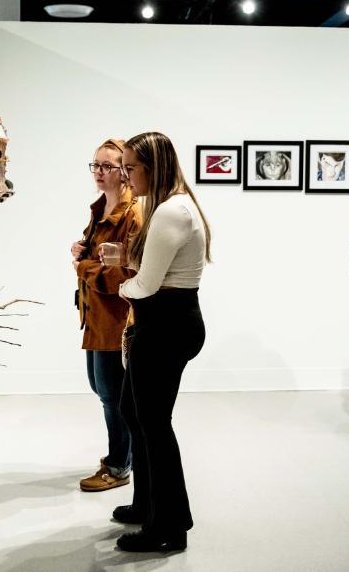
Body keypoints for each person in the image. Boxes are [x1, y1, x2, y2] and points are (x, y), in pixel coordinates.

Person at [110, 132, 211, 553]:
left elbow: (148, 285)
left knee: (154, 425)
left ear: (152, 167)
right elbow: (152, 269)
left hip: (167, 325)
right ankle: (148, 505)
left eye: (130, 167)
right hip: (167, 323)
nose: (124, 175)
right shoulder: (171, 204)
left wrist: (123, 288)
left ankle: (168, 526)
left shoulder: (171, 210)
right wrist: (127, 264)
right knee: (135, 413)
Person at [71, 138, 143, 492]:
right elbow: (98, 258)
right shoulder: (100, 208)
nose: (99, 172)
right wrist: (81, 249)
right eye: (96, 165)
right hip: (95, 316)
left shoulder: (133, 215)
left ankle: (118, 466)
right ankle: (121, 457)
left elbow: (126, 275)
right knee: (102, 389)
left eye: (108, 166)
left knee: (113, 396)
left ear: (125, 172)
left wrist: (83, 266)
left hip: (117, 319)